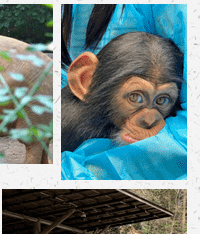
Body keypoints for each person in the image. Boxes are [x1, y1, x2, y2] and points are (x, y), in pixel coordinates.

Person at [61, 4, 187, 180]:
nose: (149, 120)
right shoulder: (73, 123)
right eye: (135, 97)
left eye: (162, 100)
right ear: (85, 80)